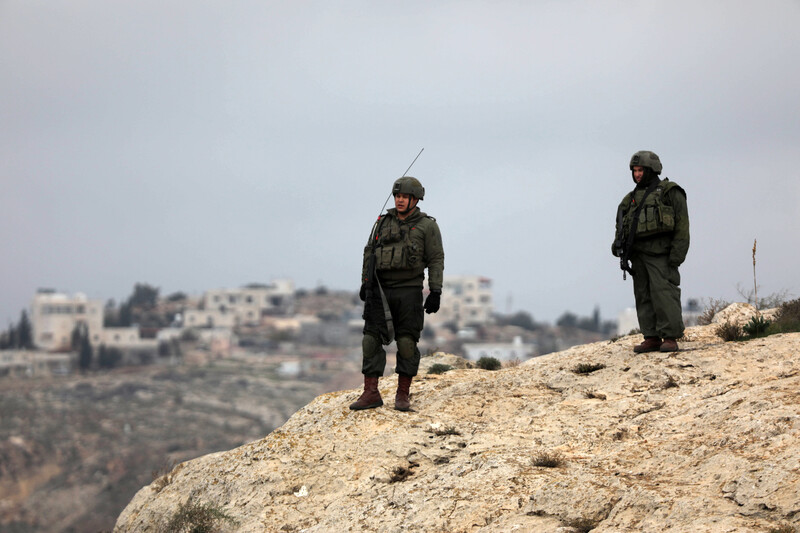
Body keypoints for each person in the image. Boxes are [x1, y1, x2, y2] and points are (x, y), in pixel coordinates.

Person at [351, 176, 444, 411]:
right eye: (397, 196)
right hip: (380, 291)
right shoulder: (382, 222)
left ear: (415, 199)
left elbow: (435, 259)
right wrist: (366, 282)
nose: (400, 200)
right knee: (370, 339)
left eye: (405, 197)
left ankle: (403, 394)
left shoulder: (427, 226)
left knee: (406, 342)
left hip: (409, 291)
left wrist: (435, 290)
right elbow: (369, 252)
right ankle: (370, 392)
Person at [613, 151, 689, 353]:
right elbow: (621, 226)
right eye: (635, 170)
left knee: (664, 294)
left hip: (661, 255)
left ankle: (670, 336)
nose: (637, 174)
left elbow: (682, 226)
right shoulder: (629, 199)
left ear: (652, 170)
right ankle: (651, 336)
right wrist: (618, 246)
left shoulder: (670, 192)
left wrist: (677, 255)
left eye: (641, 170)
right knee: (643, 296)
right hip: (638, 256)